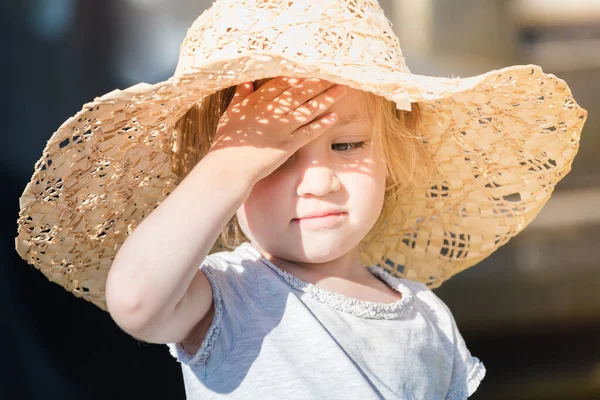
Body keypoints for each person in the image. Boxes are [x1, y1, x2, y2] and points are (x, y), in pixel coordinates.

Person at [15, 0, 587, 399]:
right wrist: (232, 162)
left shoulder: (426, 316)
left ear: (392, 159)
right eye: (278, 159)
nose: (319, 181)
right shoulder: (228, 298)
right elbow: (136, 302)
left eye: (346, 145)